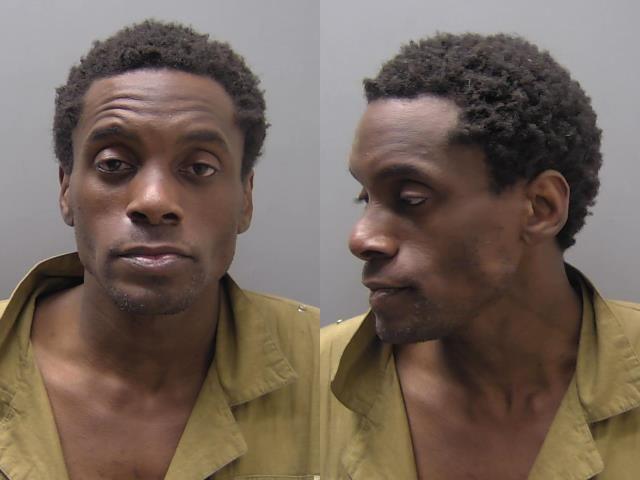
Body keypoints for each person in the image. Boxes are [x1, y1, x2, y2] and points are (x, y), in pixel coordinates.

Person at [0, 20, 318, 480]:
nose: (154, 201)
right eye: (114, 163)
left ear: (245, 199)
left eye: (200, 168)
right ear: (66, 190)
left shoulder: (326, 366)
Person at [321, 33, 640, 479]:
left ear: (541, 208)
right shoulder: (312, 378)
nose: (361, 238)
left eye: (411, 198)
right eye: (365, 197)